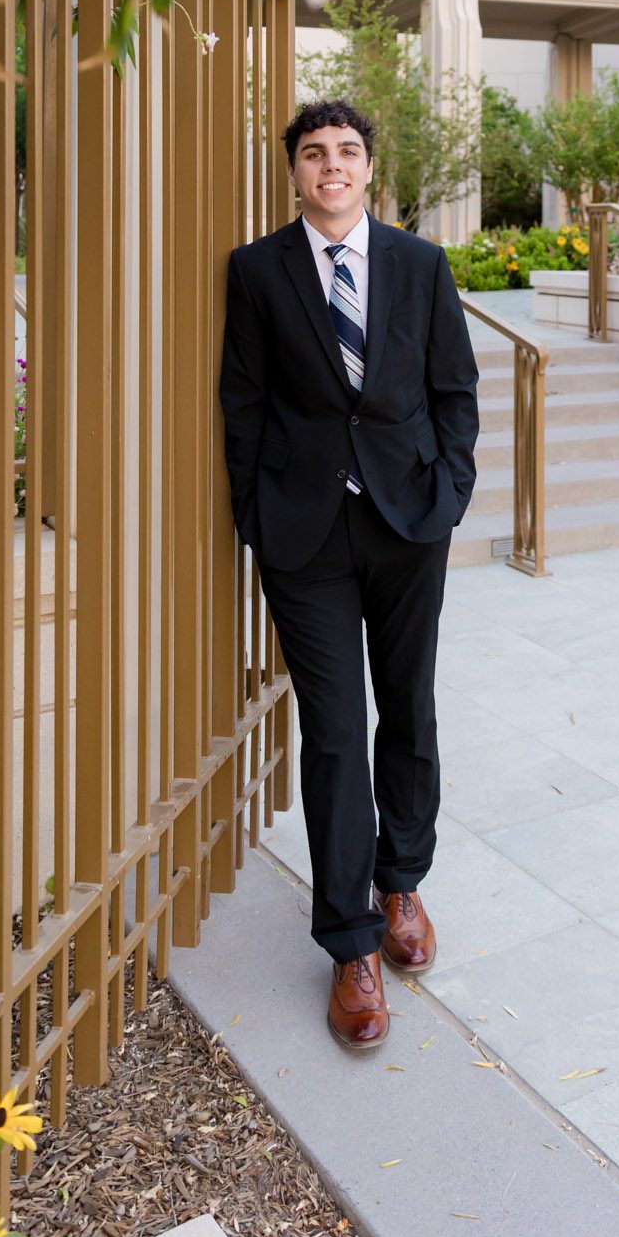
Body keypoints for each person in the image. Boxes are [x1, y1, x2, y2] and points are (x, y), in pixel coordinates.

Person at [219, 98, 480, 1051]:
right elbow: (240, 401)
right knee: (333, 732)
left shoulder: (419, 264)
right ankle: (351, 944)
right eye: (314, 153)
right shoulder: (256, 270)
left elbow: (454, 389)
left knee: (407, 705)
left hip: (410, 522)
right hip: (304, 534)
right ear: (292, 171)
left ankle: (401, 882)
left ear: (368, 168)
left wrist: (448, 494)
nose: (331, 165)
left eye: (347, 151)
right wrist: (255, 513)